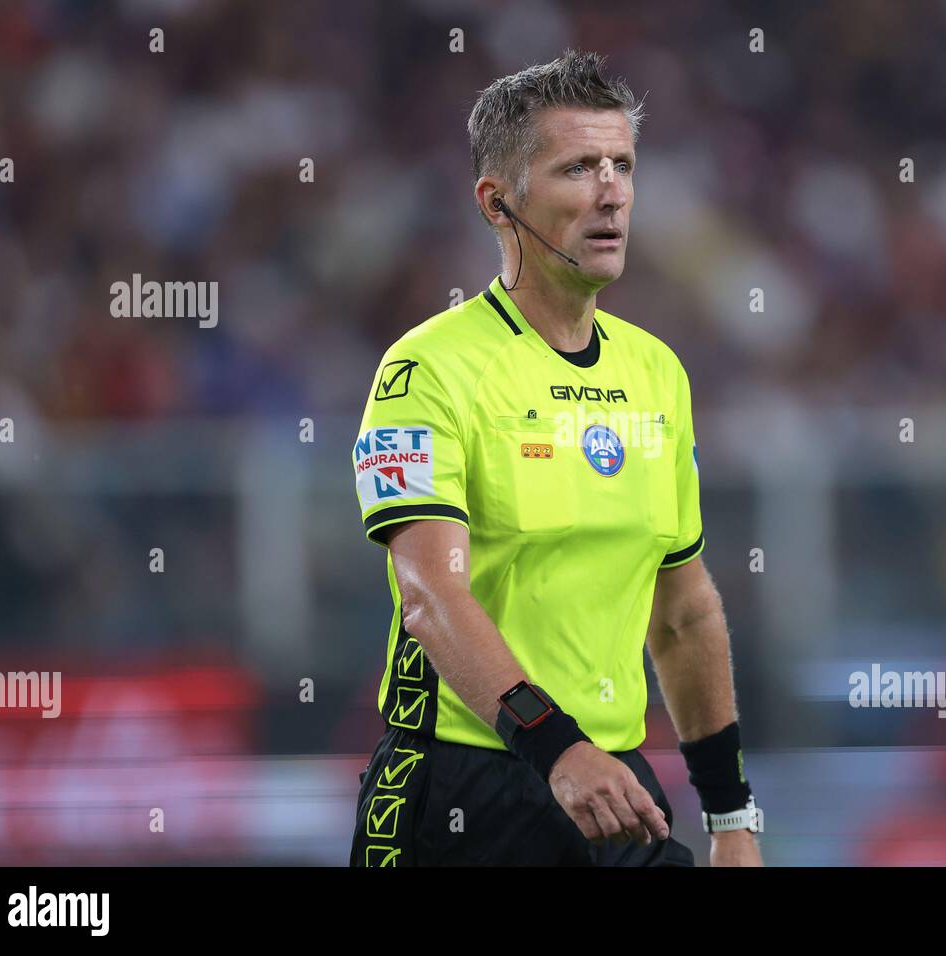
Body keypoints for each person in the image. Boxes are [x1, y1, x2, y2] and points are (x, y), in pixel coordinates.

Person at [348, 49, 763, 867]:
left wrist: (731, 817)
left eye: (623, 166)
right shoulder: (424, 370)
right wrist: (557, 749)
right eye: (578, 167)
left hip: (609, 790)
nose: (611, 191)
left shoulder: (656, 373)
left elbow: (682, 615)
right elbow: (432, 597)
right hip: (460, 795)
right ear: (500, 205)